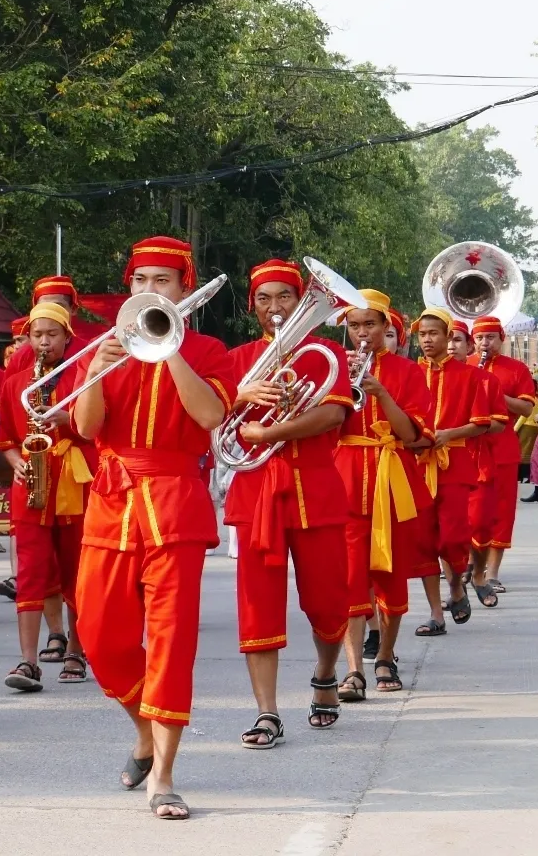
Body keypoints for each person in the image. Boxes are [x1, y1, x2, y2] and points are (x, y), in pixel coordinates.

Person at [70, 236, 231, 820]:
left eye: (162, 281)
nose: (149, 291)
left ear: (185, 290)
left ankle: (163, 776)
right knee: (98, 634)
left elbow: (211, 416)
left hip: (175, 502)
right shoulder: (104, 347)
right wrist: (92, 368)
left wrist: (170, 349)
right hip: (111, 499)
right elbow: (88, 429)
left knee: (169, 642)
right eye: (140, 281)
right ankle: (144, 727)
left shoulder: (210, 349)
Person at [220, 259, 350, 747]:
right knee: (258, 606)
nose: (274, 308)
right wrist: (237, 397)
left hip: (316, 490)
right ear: (252, 307)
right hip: (256, 494)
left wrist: (270, 430)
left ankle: (324, 673)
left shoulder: (323, 353)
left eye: (285, 297)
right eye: (263, 299)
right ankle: (267, 712)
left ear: (301, 301)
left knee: (329, 600)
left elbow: (332, 416)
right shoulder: (237, 361)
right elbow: (208, 416)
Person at [332, 289, 430, 704]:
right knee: (350, 577)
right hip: (346, 480)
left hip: (392, 480)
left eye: (370, 324)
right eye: (354, 326)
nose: (362, 333)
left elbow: (413, 436)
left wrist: (382, 394)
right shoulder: (335, 367)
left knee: (390, 575)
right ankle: (354, 669)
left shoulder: (407, 372)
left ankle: (386, 654)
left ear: (386, 327)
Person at [0, 302, 94, 693]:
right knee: (32, 572)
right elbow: (5, 441)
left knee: (77, 570)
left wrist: (68, 420)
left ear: (68, 338)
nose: (44, 342)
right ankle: (28, 660)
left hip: (74, 481)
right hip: (31, 484)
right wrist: (16, 461)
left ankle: (76, 652)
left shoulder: (83, 377)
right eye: (37, 335)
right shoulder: (14, 383)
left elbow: (99, 428)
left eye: (52, 334)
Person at [406, 309, 495, 635]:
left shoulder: (471, 376)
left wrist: (448, 434)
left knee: (454, 537)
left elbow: (481, 424)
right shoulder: (411, 372)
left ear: (447, 337)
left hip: (454, 463)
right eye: (422, 334)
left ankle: (457, 584)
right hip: (416, 464)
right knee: (425, 541)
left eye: (433, 333)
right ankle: (435, 614)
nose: (427, 340)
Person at [468, 315, 536, 600]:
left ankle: (492, 573)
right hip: (469, 446)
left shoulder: (516, 368)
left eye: (491, 337)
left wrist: (496, 393)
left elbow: (525, 408)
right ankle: (468, 565)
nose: (485, 343)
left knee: (502, 510)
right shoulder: (465, 365)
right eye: (480, 338)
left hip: (503, 448)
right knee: (469, 510)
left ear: (501, 338)